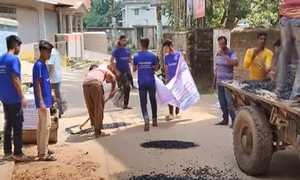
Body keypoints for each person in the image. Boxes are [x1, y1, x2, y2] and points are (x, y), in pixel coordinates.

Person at [0, 35, 30, 161]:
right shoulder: (14, 59)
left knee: (8, 123)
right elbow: (14, 79)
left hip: (4, 97)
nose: (19, 49)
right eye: (19, 47)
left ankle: (7, 151)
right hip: (14, 98)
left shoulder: (1, 59)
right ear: (15, 46)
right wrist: (22, 96)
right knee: (17, 126)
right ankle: (18, 153)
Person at [32, 40, 56, 161]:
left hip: (46, 100)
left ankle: (42, 148)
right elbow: (37, 84)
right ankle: (43, 153)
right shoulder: (38, 66)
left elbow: (45, 83)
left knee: (42, 126)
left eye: (50, 52)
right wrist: (41, 101)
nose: (49, 54)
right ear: (41, 52)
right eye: (48, 52)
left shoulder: (43, 65)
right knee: (46, 126)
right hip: (43, 102)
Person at [275, 0, 300, 106]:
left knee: (284, 55)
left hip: (285, 18)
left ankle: (278, 91)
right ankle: (296, 96)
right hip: (298, 17)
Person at [83, 64, 117, 137]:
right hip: (95, 84)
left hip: (85, 84)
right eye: (108, 81)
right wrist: (113, 91)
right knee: (99, 107)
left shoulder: (91, 72)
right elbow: (113, 77)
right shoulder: (105, 70)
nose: (107, 82)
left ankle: (94, 125)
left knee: (90, 106)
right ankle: (97, 131)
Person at [133, 38, 159, 131]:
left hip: (142, 82)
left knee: (143, 102)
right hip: (151, 82)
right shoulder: (152, 56)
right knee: (153, 100)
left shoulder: (136, 56)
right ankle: (155, 119)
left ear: (140, 45)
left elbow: (134, 69)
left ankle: (146, 117)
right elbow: (156, 69)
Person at [212, 36, 238, 128]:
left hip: (228, 83)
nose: (221, 45)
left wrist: (224, 56)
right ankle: (225, 119)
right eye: (219, 44)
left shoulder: (231, 53)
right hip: (219, 82)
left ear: (226, 44)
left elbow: (235, 63)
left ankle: (234, 120)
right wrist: (214, 82)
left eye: (222, 44)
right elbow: (216, 68)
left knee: (229, 103)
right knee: (222, 102)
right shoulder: (217, 54)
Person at [110, 35, 132, 109]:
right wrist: (116, 71)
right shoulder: (116, 51)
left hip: (127, 70)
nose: (124, 42)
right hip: (120, 71)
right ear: (119, 41)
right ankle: (119, 101)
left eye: (125, 40)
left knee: (128, 88)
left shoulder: (127, 49)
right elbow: (111, 61)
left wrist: (133, 62)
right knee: (126, 87)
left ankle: (125, 103)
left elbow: (129, 59)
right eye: (122, 40)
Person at [47, 47, 64, 118]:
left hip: (53, 78)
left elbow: (51, 66)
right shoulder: (55, 51)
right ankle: (60, 111)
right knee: (57, 94)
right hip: (58, 76)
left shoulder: (51, 53)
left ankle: (56, 112)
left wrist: (48, 77)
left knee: (53, 96)